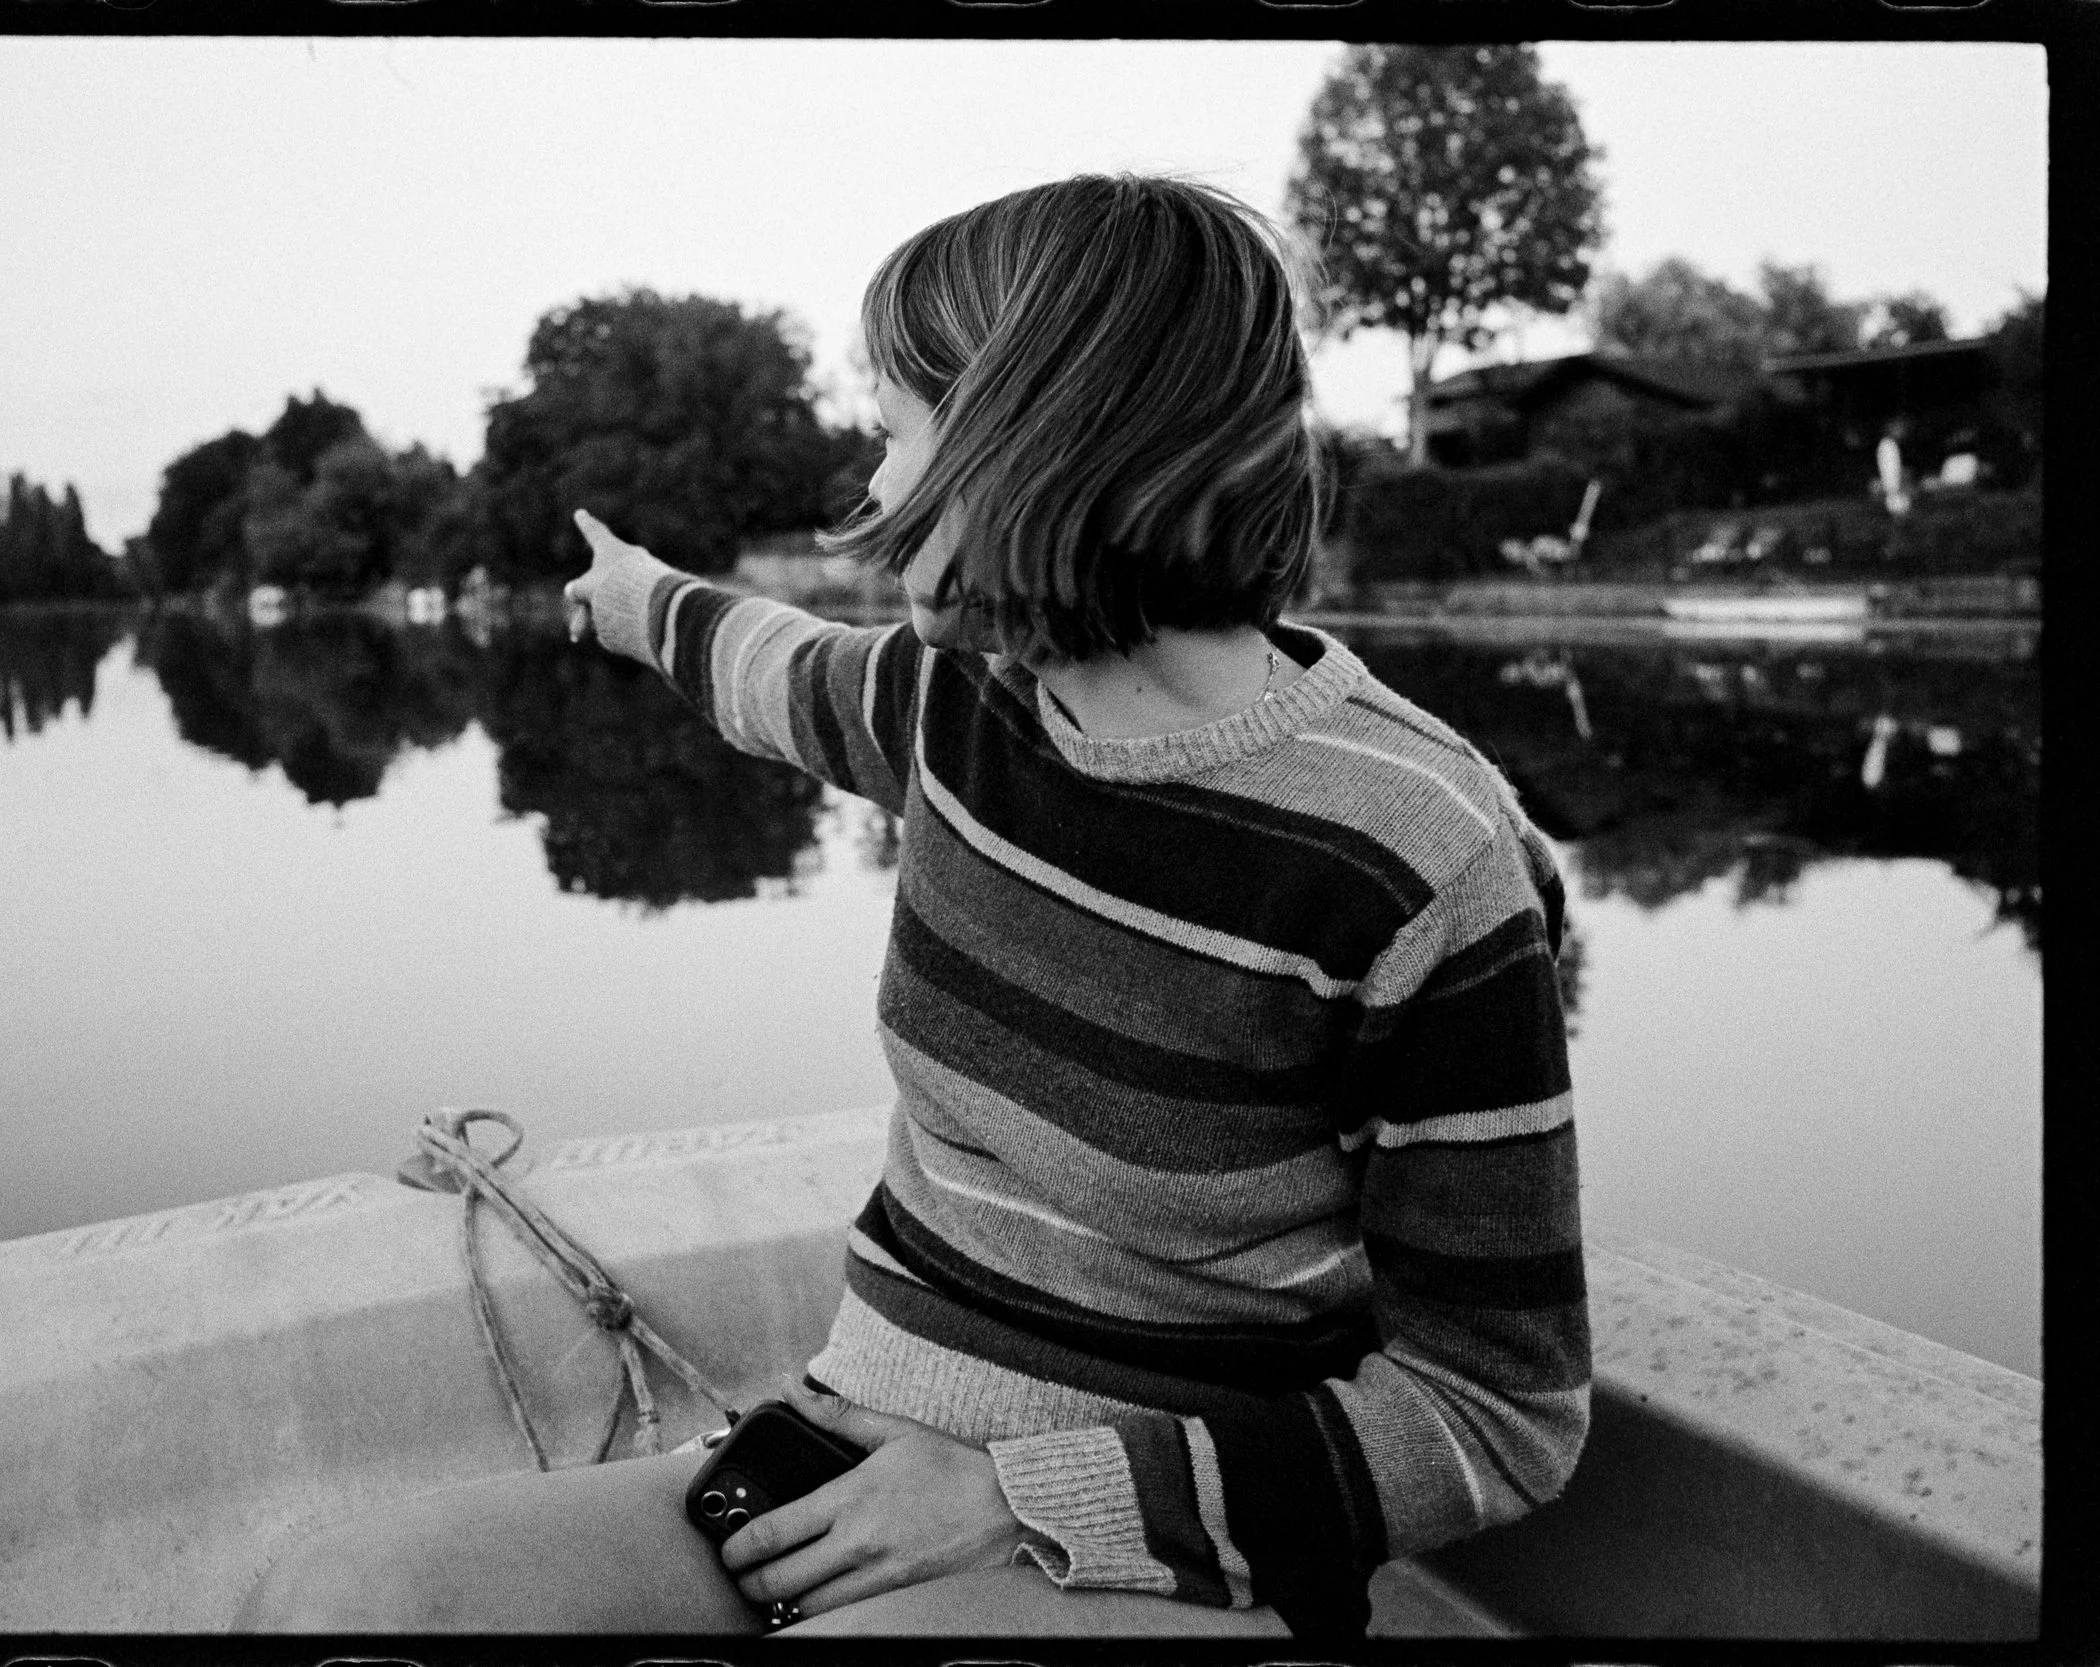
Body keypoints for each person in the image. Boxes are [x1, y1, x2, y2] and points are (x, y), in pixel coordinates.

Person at [235, 173, 1589, 1641]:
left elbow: (1497, 1411)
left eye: (892, 433)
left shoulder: (1416, 854)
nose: (870, 499)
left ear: (1033, 442)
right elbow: (771, 667)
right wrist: (635, 600)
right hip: (844, 1456)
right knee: (339, 1594)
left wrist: (1026, 1494)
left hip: (1171, 1552)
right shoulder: (956, 706)